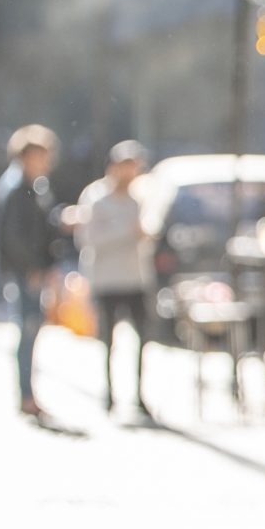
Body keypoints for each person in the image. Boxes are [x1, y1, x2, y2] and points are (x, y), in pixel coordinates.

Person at [69, 141, 156, 422]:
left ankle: (139, 394)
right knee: (108, 340)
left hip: (136, 278)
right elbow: (87, 238)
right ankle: (109, 394)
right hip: (107, 279)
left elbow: (149, 232)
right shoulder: (96, 197)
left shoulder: (140, 198)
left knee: (142, 340)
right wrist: (126, 232)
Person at [0, 126, 63, 420]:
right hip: (24, 273)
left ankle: (29, 393)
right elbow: (13, 237)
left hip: (34, 270)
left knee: (33, 329)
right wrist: (32, 268)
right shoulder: (16, 187)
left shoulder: (35, 186)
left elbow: (42, 227)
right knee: (27, 329)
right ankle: (25, 394)